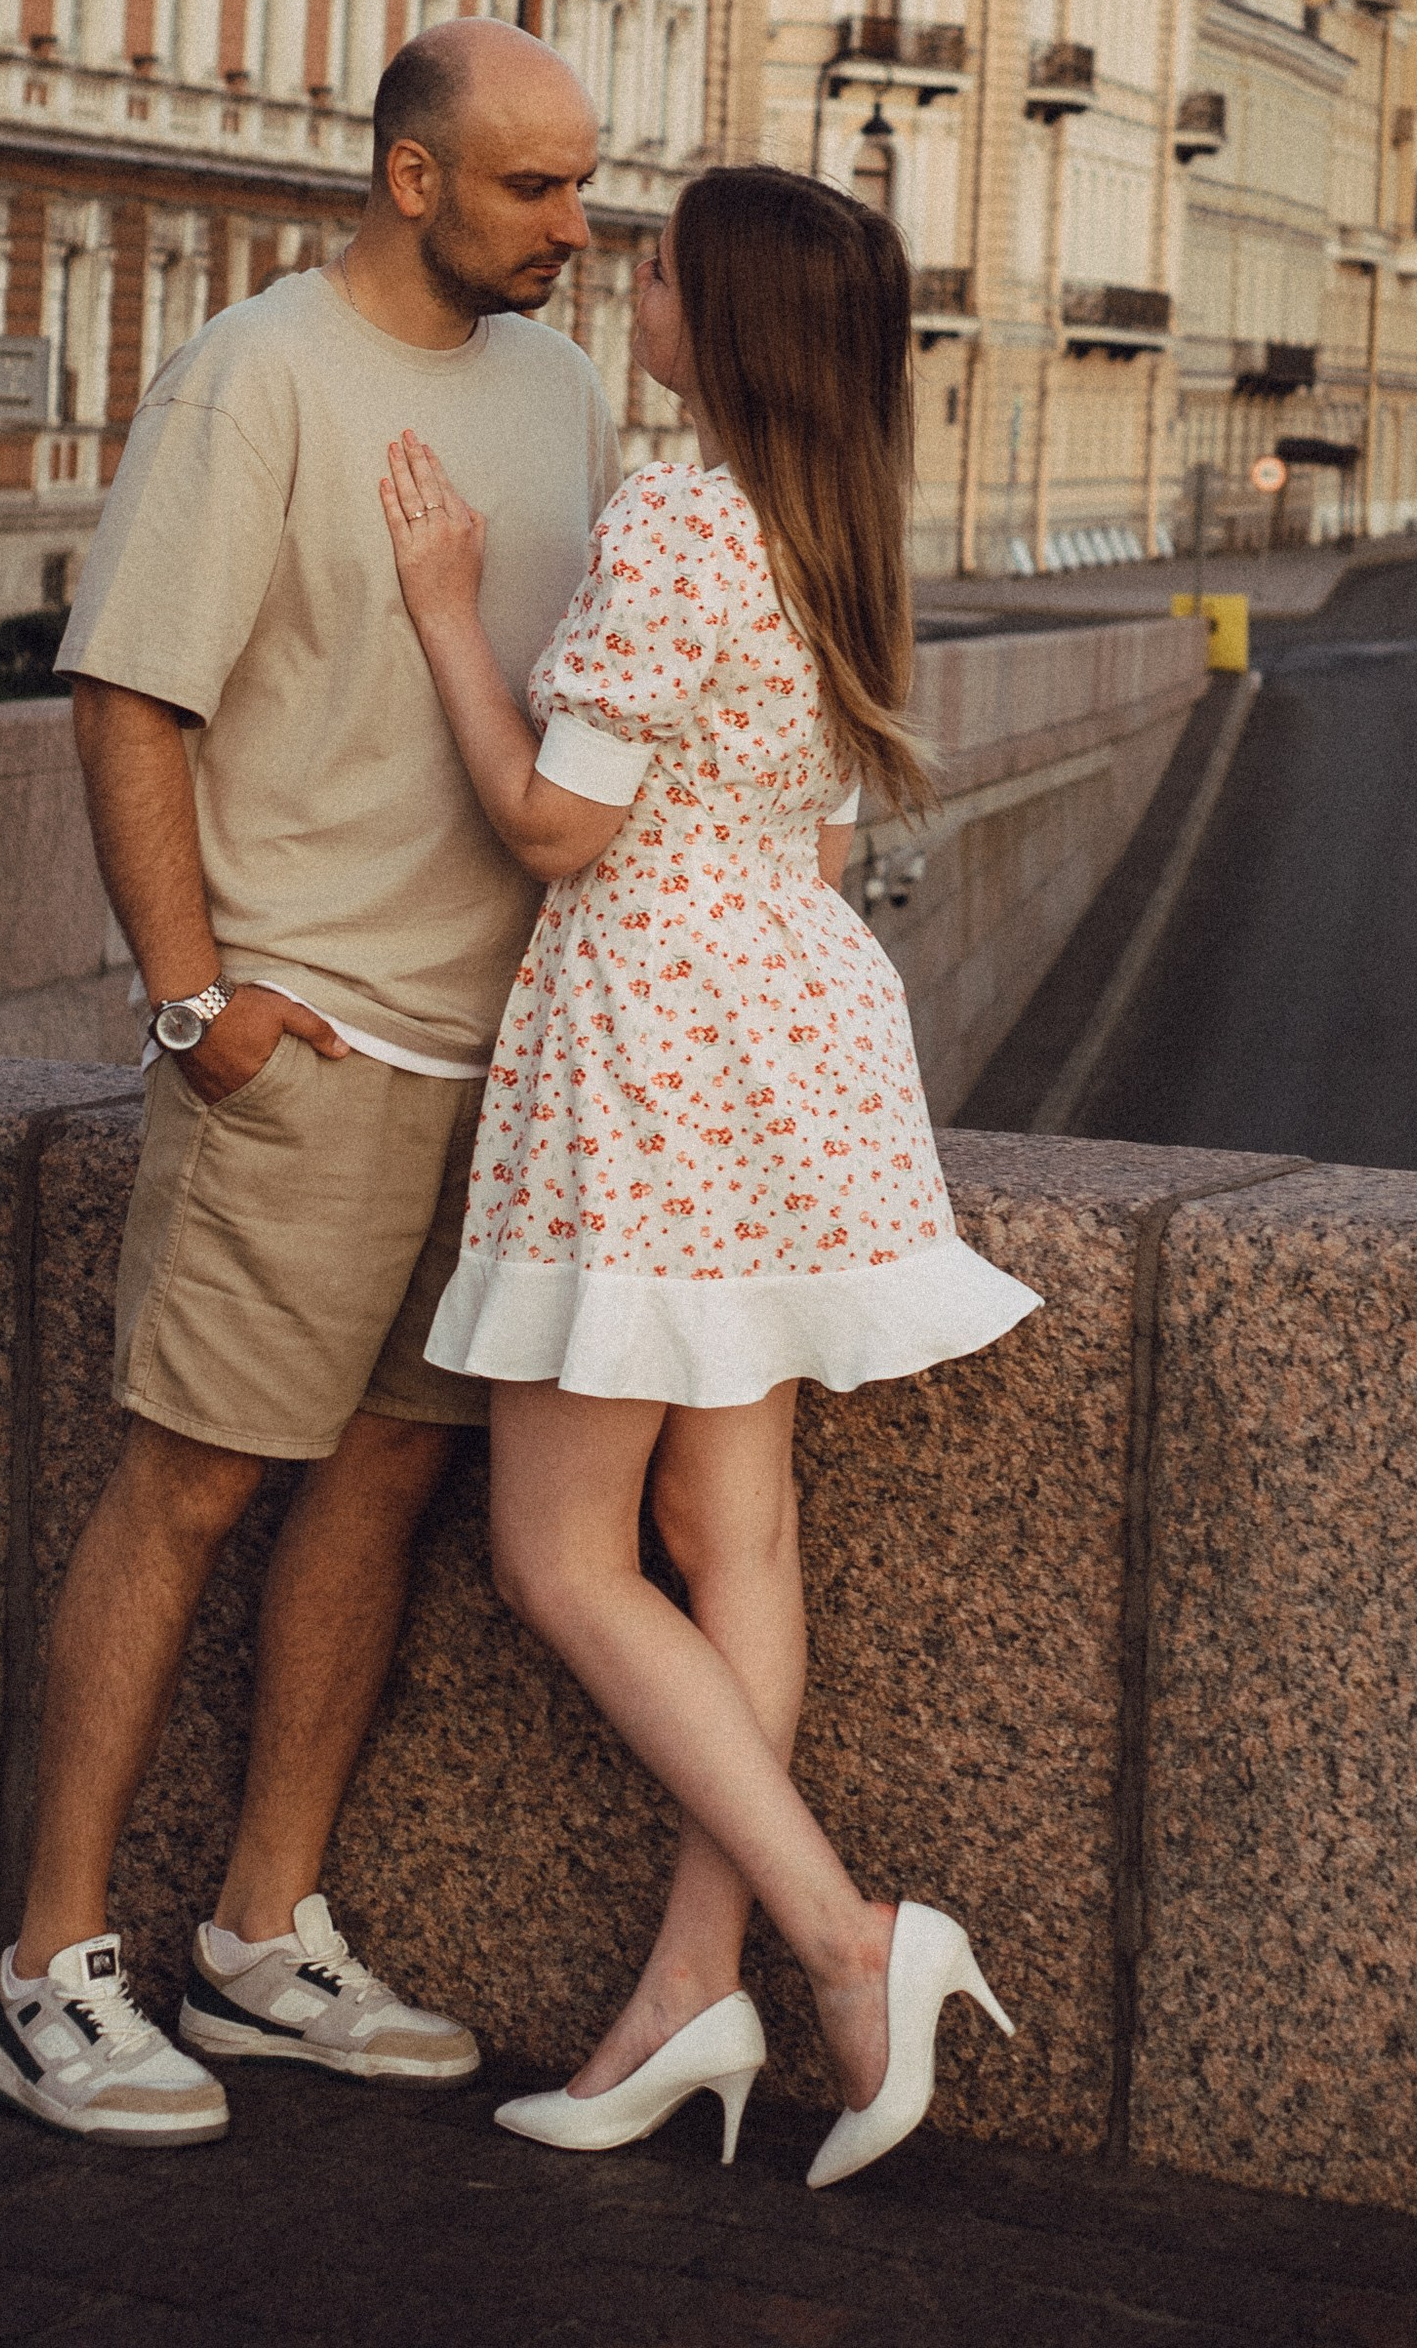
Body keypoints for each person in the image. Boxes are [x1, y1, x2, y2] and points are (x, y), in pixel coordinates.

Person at [0, 21, 624, 2150]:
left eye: (583, 181)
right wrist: (195, 1003)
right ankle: (50, 1969)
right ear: (411, 182)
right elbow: (127, 694)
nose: (574, 223)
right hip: (307, 1039)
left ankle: (263, 1939)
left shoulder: (557, 388)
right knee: (188, 1484)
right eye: (533, 188)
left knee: (378, 1483)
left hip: (495, 1048)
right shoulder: (255, 375)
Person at [376, 161, 1038, 2190]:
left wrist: (437, 614)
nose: (627, 283)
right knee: (725, 1522)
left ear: (719, 316)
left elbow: (554, 823)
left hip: (655, 1043)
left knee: (560, 1557)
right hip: (798, 1036)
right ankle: (687, 1990)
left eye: (656, 266)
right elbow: (817, 834)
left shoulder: (678, 509)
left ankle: (844, 1940)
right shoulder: (836, 524)